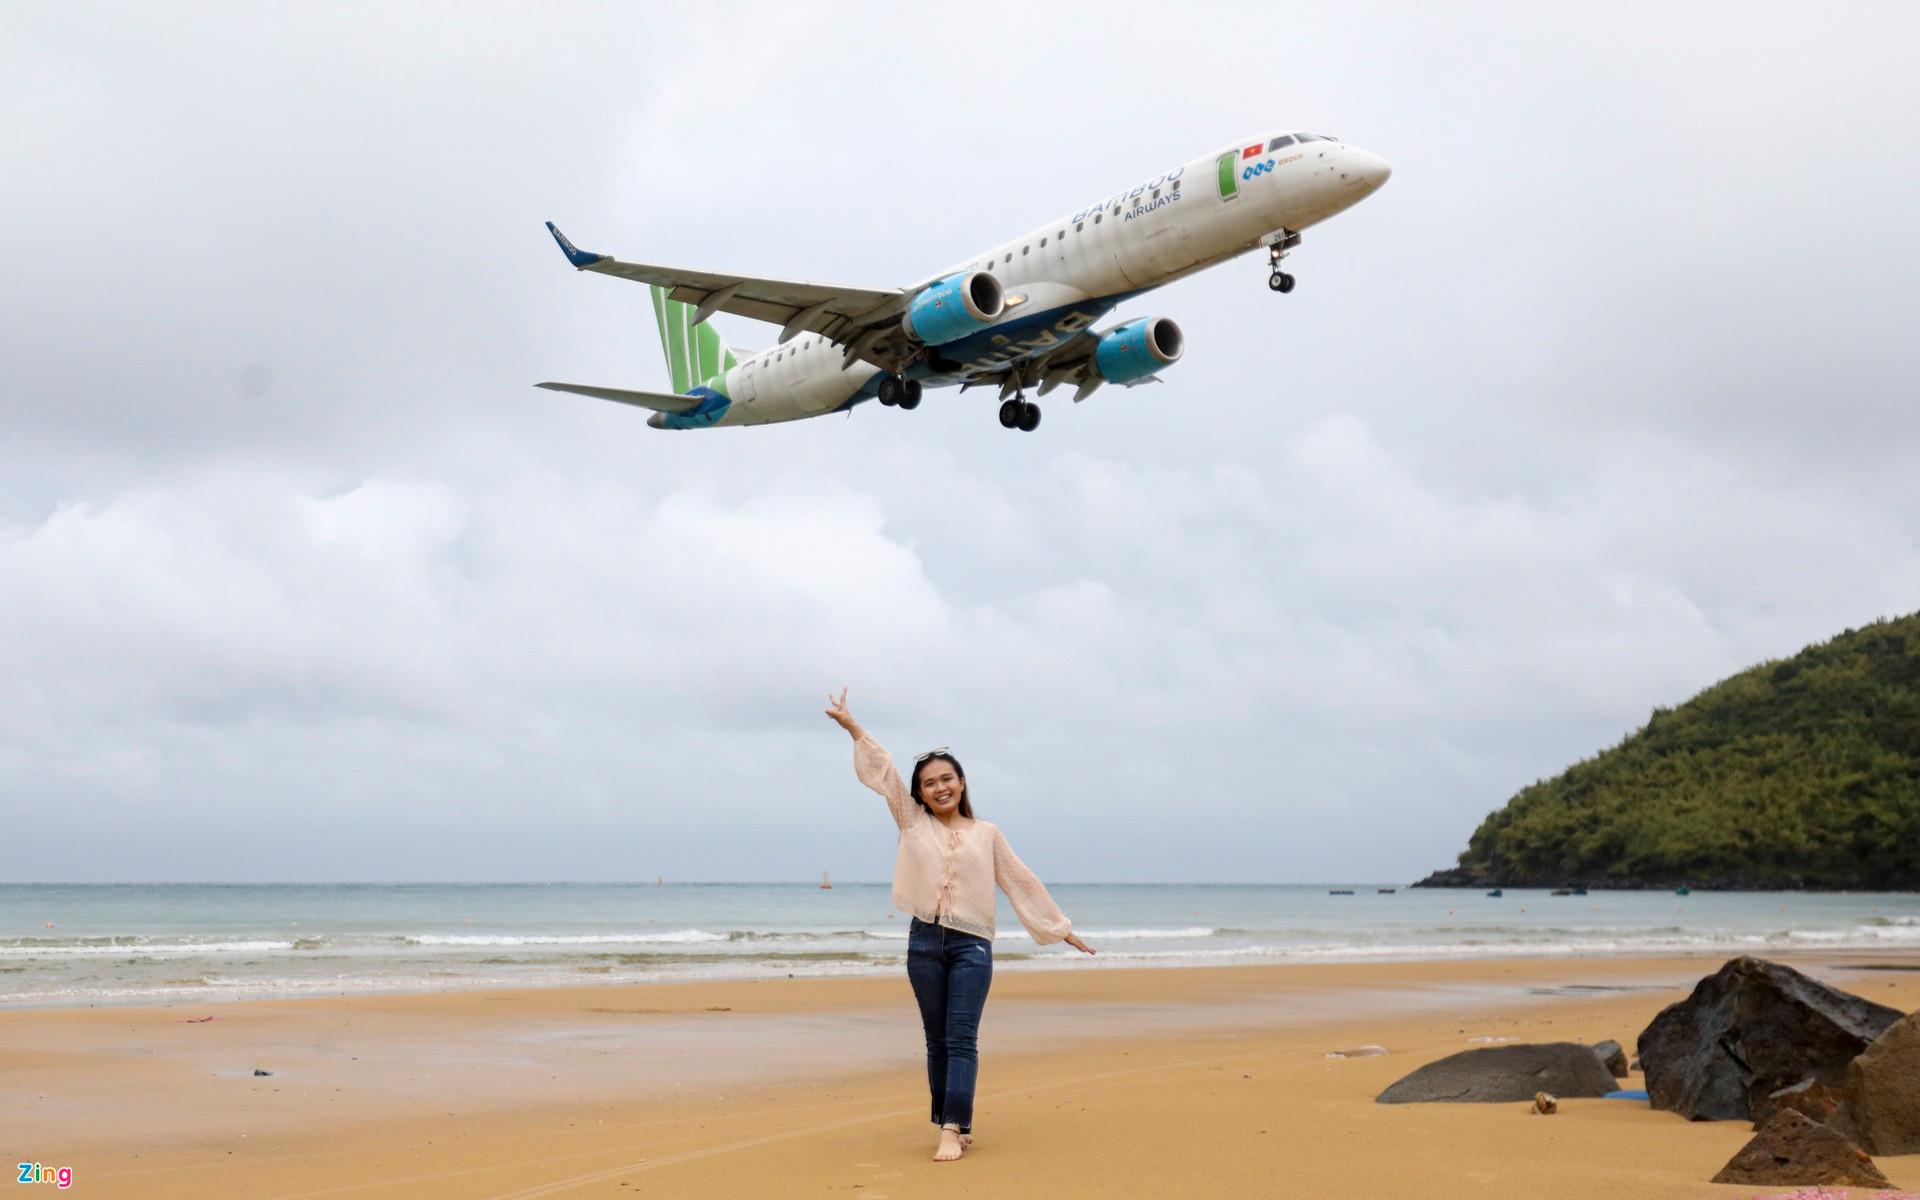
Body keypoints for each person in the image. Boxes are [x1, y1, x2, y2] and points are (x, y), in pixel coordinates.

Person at [824, 689, 1095, 1162]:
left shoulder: (987, 833)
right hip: (924, 942)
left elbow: (1019, 881)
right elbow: (884, 772)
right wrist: (852, 725)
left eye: (946, 778)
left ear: (962, 782)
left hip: (973, 947)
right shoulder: (911, 821)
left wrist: (1059, 928)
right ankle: (952, 1120)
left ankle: (953, 1128)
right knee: (937, 1040)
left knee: (962, 1037)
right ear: (920, 793)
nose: (939, 788)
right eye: (929, 783)